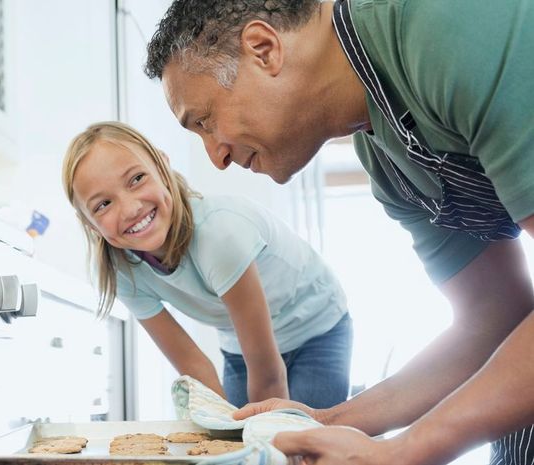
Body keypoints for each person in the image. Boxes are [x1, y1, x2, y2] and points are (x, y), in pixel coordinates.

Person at [143, 0, 534, 464]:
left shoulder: (444, 26)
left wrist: (408, 450)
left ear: (263, 49)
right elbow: (495, 318)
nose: (215, 157)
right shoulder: (389, 165)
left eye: (204, 121)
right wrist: (325, 421)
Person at [62, 121, 353, 410]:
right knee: (231, 433)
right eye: (103, 205)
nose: (130, 208)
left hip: (317, 327)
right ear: (90, 224)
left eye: (137, 179)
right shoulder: (121, 272)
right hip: (239, 345)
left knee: (307, 442)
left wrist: (266, 441)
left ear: (162, 166)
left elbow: (268, 375)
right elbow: (192, 363)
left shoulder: (219, 234)